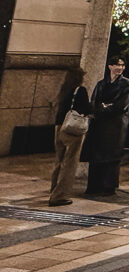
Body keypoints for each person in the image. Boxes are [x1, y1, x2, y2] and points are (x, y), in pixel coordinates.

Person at [81, 57, 129, 196]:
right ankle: (94, 185)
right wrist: (102, 107)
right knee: (96, 155)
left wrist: (104, 108)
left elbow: (121, 105)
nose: (120, 68)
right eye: (117, 65)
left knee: (111, 156)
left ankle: (108, 186)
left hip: (115, 125)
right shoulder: (101, 84)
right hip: (100, 124)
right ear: (110, 66)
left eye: (122, 65)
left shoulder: (126, 84)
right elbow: (94, 102)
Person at [50, 66, 92, 206]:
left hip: (59, 127)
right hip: (71, 129)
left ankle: (53, 190)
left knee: (59, 161)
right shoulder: (80, 90)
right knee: (70, 162)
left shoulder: (63, 89)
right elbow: (86, 108)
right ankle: (60, 195)